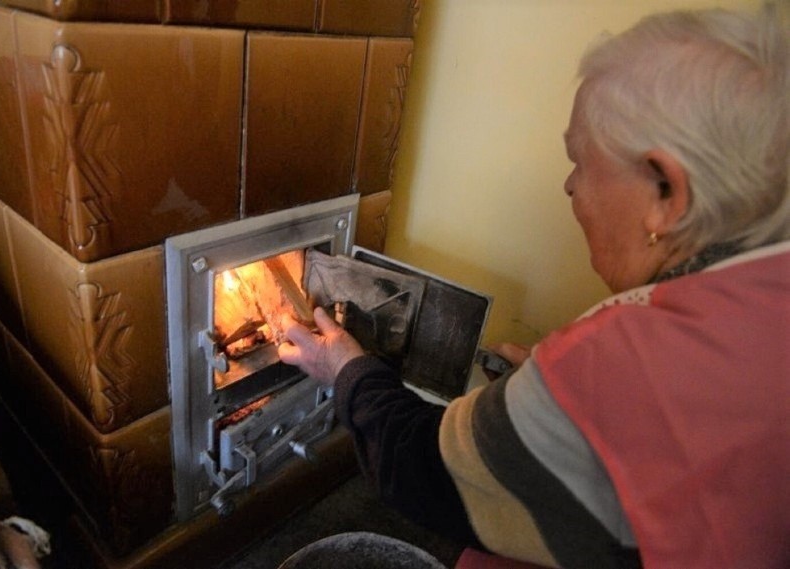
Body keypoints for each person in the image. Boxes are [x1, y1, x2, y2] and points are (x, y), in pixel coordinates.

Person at [278, 4, 789, 568]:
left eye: (581, 161)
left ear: (667, 189)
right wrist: (550, 405)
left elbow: (424, 472)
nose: (570, 187)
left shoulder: (630, 363)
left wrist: (346, 368)